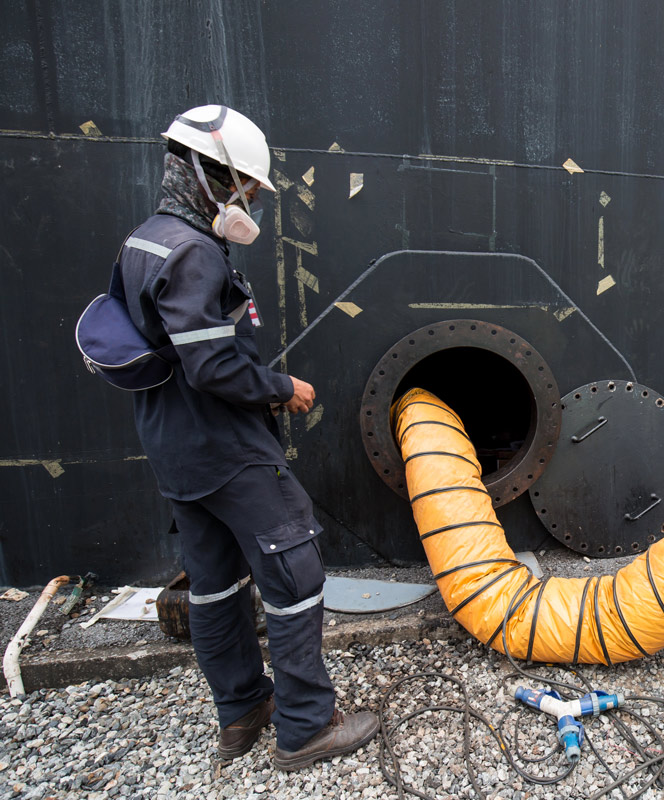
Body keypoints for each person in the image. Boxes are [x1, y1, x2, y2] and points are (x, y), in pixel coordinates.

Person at [120, 104, 378, 769]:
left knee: (213, 584)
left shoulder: (143, 241)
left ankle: (242, 712)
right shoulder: (196, 253)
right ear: (214, 177)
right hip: (226, 448)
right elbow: (210, 365)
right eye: (250, 190)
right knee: (296, 573)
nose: (252, 203)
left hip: (174, 448)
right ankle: (306, 727)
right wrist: (280, 389)